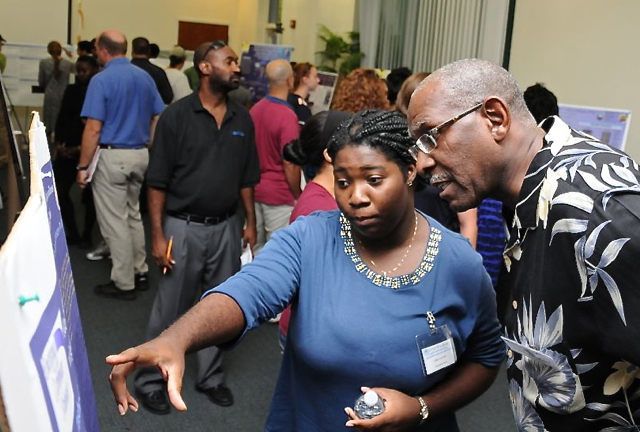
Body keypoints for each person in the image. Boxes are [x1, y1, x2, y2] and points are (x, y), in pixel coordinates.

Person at [106, 109, 504, 430]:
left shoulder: (459, 262)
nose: (356, 197)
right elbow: (248, 292)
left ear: (411, 172)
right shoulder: (311, 238)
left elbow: (485, 358)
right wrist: (177, 339)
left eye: (374, 179)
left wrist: (421, 407)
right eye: (344, 182)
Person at [407, 58, 640, 430]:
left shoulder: (596, 213)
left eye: (431, 136)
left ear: (495, 118)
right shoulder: (530, 196)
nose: (421, 162)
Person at [132, 40, 260, 414]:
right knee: (171, 306)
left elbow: (246, 179)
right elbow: (156, 182)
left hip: (226, 227)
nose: (236, 68)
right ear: (205, 68)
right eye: (229, 61)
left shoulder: (242, 118)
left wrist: (250, 222)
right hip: (181, 227)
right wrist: (157, 235)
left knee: (220, 307)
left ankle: (210, 378)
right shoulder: (176, 116)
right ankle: (152, 380)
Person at [76, 30, 165, 301]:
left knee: (114, 222)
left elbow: (93, 128)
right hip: (140, 155)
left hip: (112, 157)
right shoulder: (145, 76)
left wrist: (82, 166)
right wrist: (147, 143)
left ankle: (123, 282)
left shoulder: (101, 80)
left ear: (102, 50)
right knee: (133, 215)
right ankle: (140, 272)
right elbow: (157, 114)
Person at [278, 109, 350, 348]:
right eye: (352, 139)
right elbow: (321, 286)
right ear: (330, 155)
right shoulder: (318, 208)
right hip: (310, 333)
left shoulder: (332, 197)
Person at [397, 72, 478, 248]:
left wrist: (466, 264)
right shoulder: (396, 143)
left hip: (443, 247)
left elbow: (468, 223)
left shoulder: (447, 147)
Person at [250, 59, 301, 253]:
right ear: (290, 81)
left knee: (255, 249)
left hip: (256, 189)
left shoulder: (256, 109)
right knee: (276, 252)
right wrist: (297, 194)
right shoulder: (287, 116)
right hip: (279, 195)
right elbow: (290, 162)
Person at [53, 55, 99, 246]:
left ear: (94, 71)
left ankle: (87, 234)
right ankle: (71, 232)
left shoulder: (97, 92)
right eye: (78, 71)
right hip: (67, 145)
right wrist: (59, 144)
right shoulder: (71, 90)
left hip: (88, 148)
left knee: (89, 197)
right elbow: (62, 116)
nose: (80, 75)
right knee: (60, 192)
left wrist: (81, 149)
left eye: (84, 71)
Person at [38, 41, 74, 142]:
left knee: (49, 121)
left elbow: (42, 81)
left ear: (49, 51)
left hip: (50, 94)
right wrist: (70, 55)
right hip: (63, 94)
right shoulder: (67, 64)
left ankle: (48, 143)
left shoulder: (44, 63)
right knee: (62, 120)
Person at [130, 37, 173, 104]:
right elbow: (168, 98)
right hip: (150, 112)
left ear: (132, 51)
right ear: (148, 51)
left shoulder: (121, 71)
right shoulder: (158, 72)